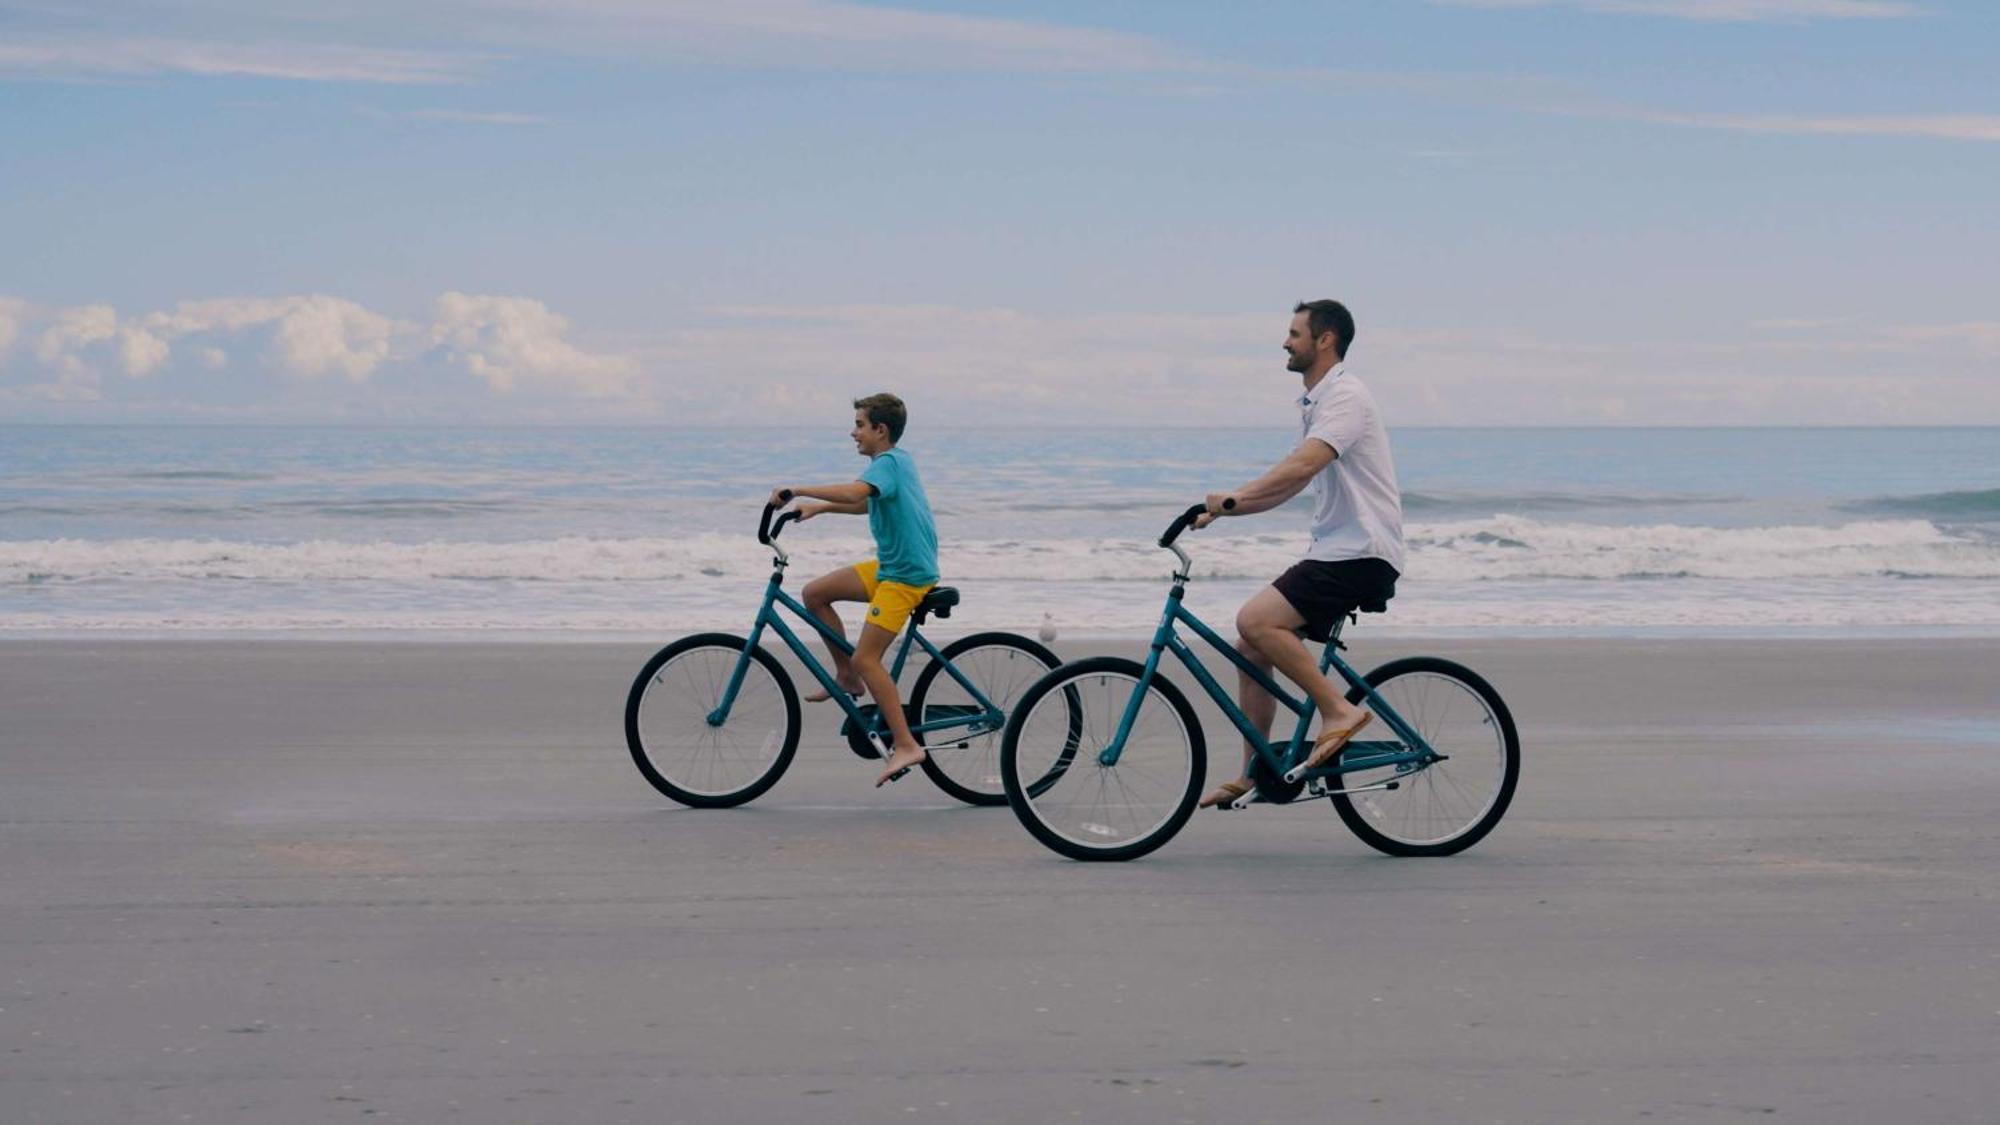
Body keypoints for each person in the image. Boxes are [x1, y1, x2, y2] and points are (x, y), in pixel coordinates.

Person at [1193, 300, 1405, 808]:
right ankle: (1255, 770)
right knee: (1253, 648)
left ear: (1324, 339)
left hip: (1361, 554)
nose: (1286, 342)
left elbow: (1305, 463)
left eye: (1294, 333)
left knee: (1256, 620)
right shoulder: (1316, 403)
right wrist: (1228, 509)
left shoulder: (1347, 396)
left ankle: (1339, 711)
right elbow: (1290, 484)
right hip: (1337, 551)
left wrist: (1233, 497)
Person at [768, 393, 940, 787]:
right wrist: (821, 508)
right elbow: (867, 504)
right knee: (814, 593)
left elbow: (856, 493)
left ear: (881, 430)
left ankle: (906, 744)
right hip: (892, 568)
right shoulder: (892, 465)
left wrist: (798, 490)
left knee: (869, 659)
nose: (853, 432)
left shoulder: (890, 462)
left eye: (860, 425)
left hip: (906, 577)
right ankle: (845, 676)